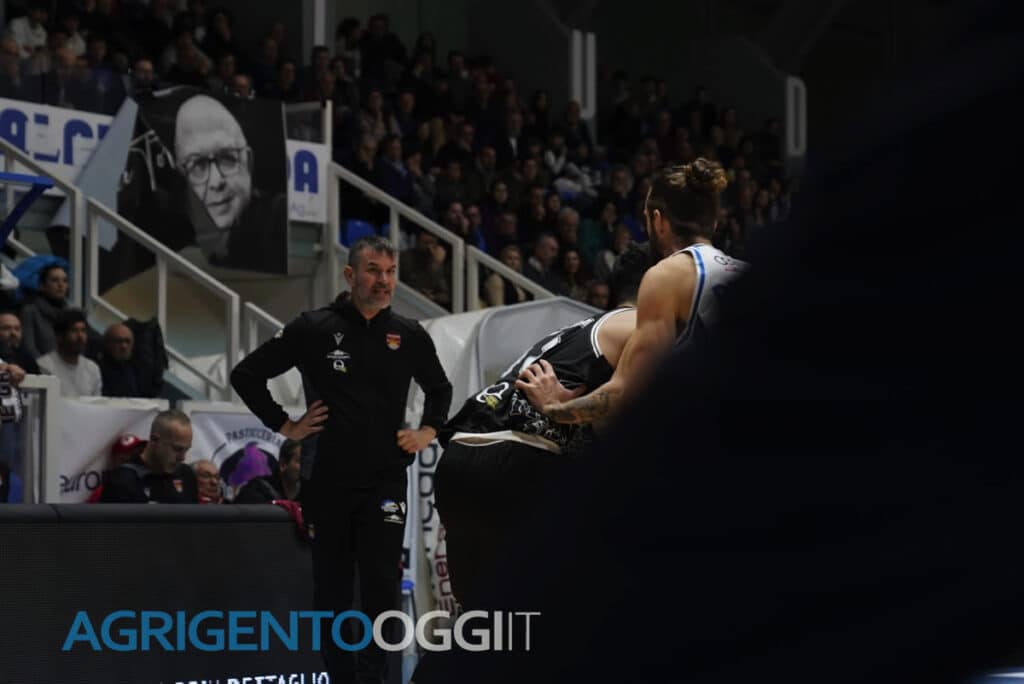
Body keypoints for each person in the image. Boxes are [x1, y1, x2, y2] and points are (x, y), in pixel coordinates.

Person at [411, 244, 650, 684]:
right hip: (519, 458)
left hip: (462, 457)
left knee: (481, 623)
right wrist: (563, 408)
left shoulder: (578, 330)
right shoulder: (640, 327)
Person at [230, 235, 453, 684]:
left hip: (386, 481)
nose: (383, 281)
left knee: (381, 588)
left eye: (390, 272)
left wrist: (428, 431)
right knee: (332, 591)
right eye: (373, 270)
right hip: (327, 481)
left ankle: (373, 678)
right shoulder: (313, 328)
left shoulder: (409, 334)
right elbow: (246, 374)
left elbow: (440, 389)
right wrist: (285, 424)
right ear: (350, 275)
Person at [537, 159, 747, 426]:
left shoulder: (668, 275)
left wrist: (554, 408)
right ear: (714, 223)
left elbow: (625, 392)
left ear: (658, 221)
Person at [174, 93, 287, 272]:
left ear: (248, 162)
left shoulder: (278, 217)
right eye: (198, 165)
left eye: (227, 158)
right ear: (183, 177)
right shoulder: (177, 235)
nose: (216, 181)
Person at [98, 410, 198, 503]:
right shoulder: (122, 481)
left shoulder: (186, 475)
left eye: (186, 449)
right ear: (154, 440)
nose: (182, 458)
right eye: (177, 449)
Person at [36, 309, 102, 398]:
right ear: (59, 336)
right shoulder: (44, 366)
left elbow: (97, 404)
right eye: (74, 330)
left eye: (83, 330)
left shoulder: (92, 369)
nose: (80, 336)